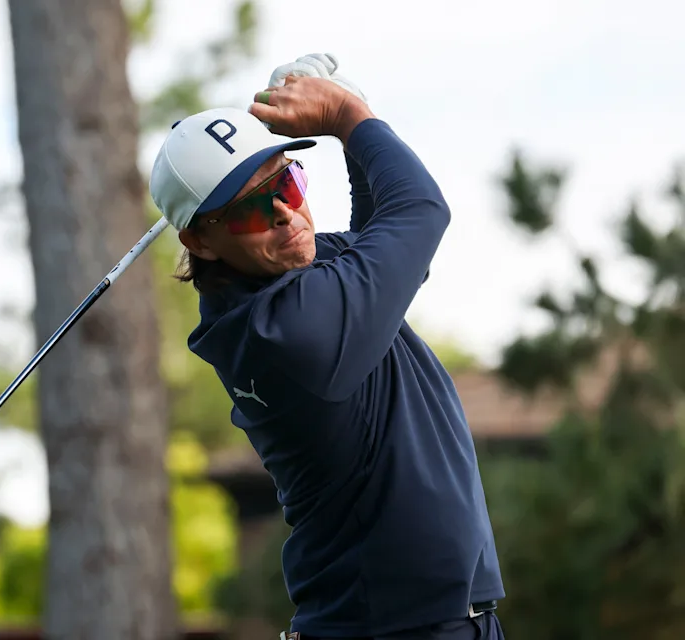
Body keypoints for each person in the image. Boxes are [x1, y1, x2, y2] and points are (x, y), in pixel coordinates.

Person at [148, 53, 506, 640]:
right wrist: (345, 113)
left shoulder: (282, 290)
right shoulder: (290, 333)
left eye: (287, 181)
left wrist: (350, 126)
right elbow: (419, 211)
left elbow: (378, 239)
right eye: (252, 208)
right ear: (200, 241)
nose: (287, 214)